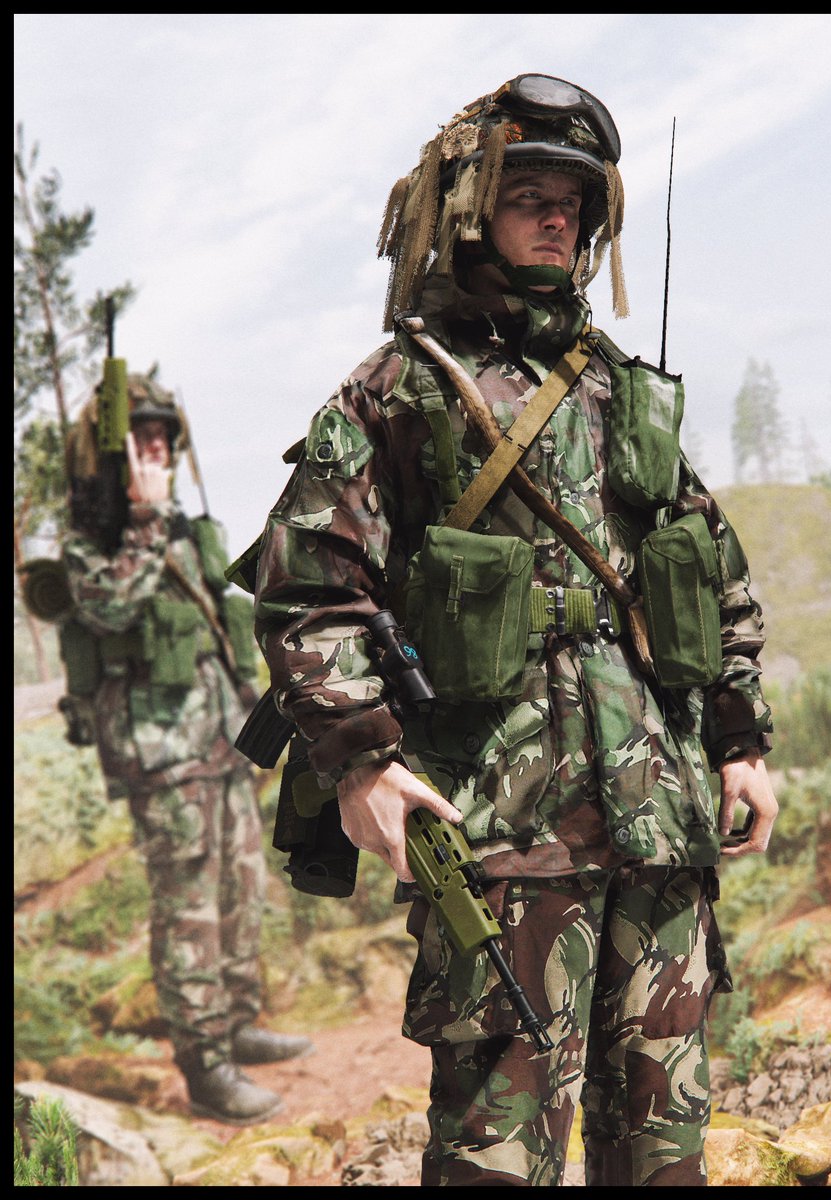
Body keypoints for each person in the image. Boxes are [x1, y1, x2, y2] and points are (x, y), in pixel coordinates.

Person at [251, 73, 777, 1184]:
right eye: (529, 196)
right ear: (469, 208)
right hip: (500, 827)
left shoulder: (623, 393)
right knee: (498, 1152)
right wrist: (362, 761)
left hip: (658, 821)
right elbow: (307, 588)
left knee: (666, 1147)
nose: (556, 221)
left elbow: (710, 569)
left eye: (572, 205)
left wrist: (740, 738)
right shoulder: (402, 389)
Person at [61, 372, 314, 1126]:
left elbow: (215, 630)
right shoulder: (91, 540)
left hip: (217, 742)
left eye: (162, 438)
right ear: (110, 455)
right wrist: (140, 520)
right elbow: (110, 607)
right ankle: (205, 1066)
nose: (156, 452)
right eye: (139, 440)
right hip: (160, 754)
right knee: (189, 912)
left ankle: (235, 1023)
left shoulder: (180, 528)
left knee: (240, 892)